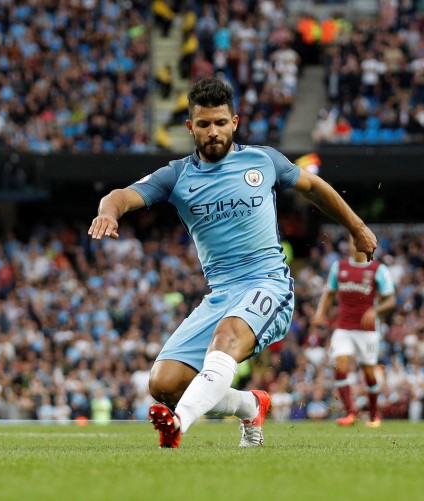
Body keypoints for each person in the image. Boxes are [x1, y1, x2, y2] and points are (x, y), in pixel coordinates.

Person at [88, 77, 377, 448]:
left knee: (224, 340)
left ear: (235, 122)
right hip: (221, 293)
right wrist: (109, 213)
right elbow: (120, 196)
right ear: (190, 127)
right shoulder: (177, 176)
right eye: (204, 124)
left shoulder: (264, 160)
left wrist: (356, 227)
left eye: (221, 123)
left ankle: (178, 425)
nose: (213, 132)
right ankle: (251, 404)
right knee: (164, 383)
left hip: (268, 283)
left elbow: (314, 188)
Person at [311, 235, 395, 428]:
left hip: (367, 331)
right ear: (349, 244)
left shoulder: (378, 269)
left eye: (358, 241)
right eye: (352, 240)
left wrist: (375, 309)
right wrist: (320, 313)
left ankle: (374, 415)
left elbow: (390, 299)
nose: (355, 244)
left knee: (368, 372)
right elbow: (329, 293)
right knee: (340, 365)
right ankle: (350, 412)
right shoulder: (339, 267)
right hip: (343, 327)